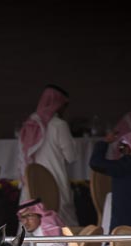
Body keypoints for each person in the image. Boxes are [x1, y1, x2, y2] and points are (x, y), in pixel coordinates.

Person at [18, 85, 79, 227]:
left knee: (31, 224)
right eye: (64, 105)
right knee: (61, 223)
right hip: (54, 182)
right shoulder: (59, 125)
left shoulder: (30, 124)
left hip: (31, 182)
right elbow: (71, 156)